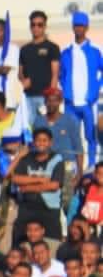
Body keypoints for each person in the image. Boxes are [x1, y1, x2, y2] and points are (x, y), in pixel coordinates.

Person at [61, 10, 103, 165]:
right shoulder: (66, 53)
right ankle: (72, 167)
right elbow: (59, 74)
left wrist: (96, 89)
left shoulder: (94, 52)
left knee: (91, 136)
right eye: (76, 26)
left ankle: (92, 165)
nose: (79, 29)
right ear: (73, 28)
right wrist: (65, 90)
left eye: (81, 26)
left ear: (87, 28)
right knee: (71, 135)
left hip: (88, 103)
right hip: (70, 103)